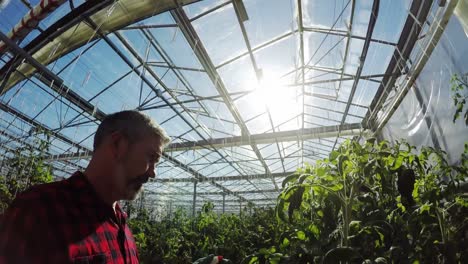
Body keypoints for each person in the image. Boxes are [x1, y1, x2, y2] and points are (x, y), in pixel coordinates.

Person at [0, 110, 170, 263]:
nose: (153, 173)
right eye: (151, 158)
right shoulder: (40, 209)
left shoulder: (123, 230)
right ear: (117, 144)